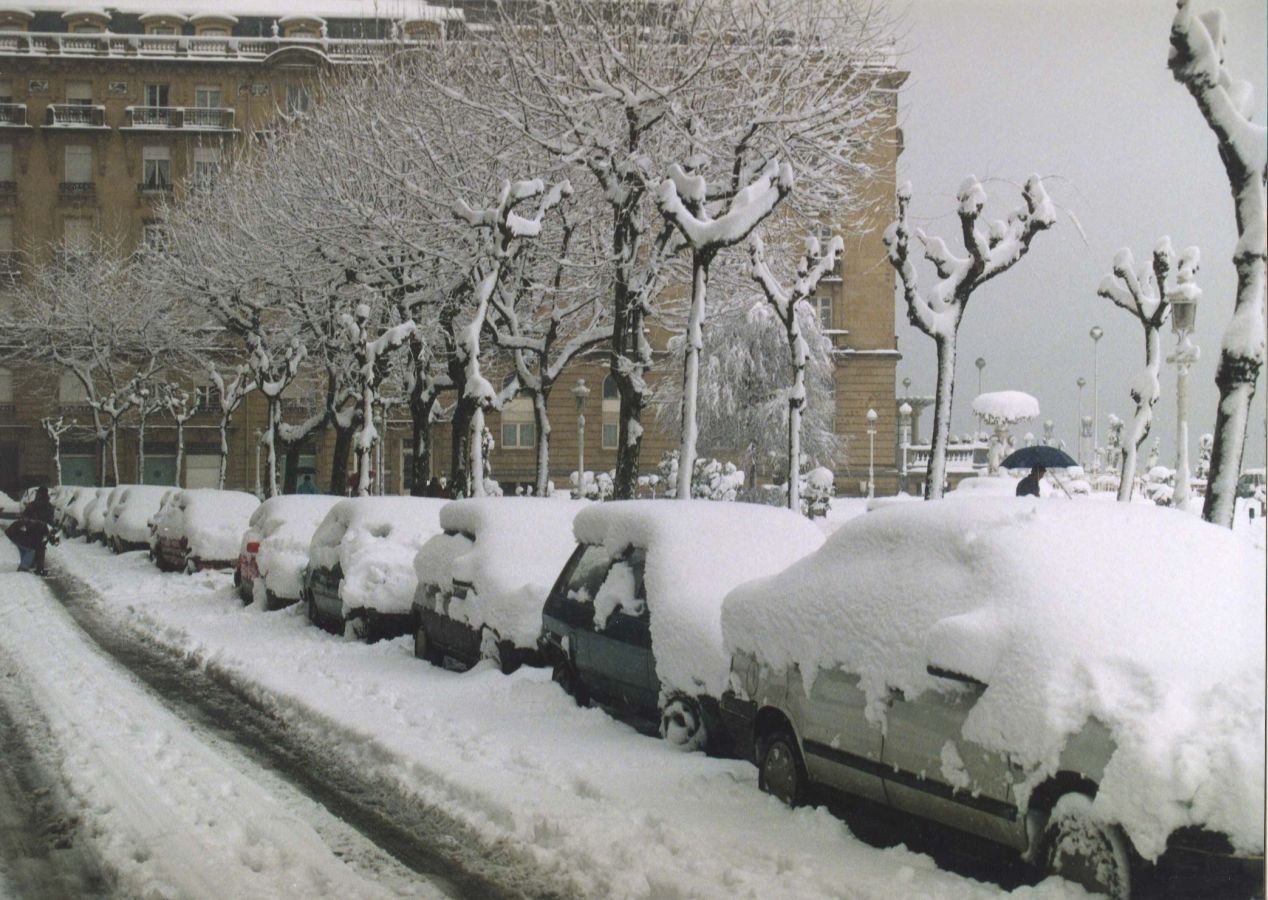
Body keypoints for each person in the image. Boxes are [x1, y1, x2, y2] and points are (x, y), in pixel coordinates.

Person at [21, 486, 56, 574]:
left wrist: (29, 521)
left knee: (34, 546)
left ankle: (33, 564)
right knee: (40, 547)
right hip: (43, 530)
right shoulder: (49, 506)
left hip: (34, 529)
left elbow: (25, 516)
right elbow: (50, 520)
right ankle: (38, 566)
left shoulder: (33, 505)